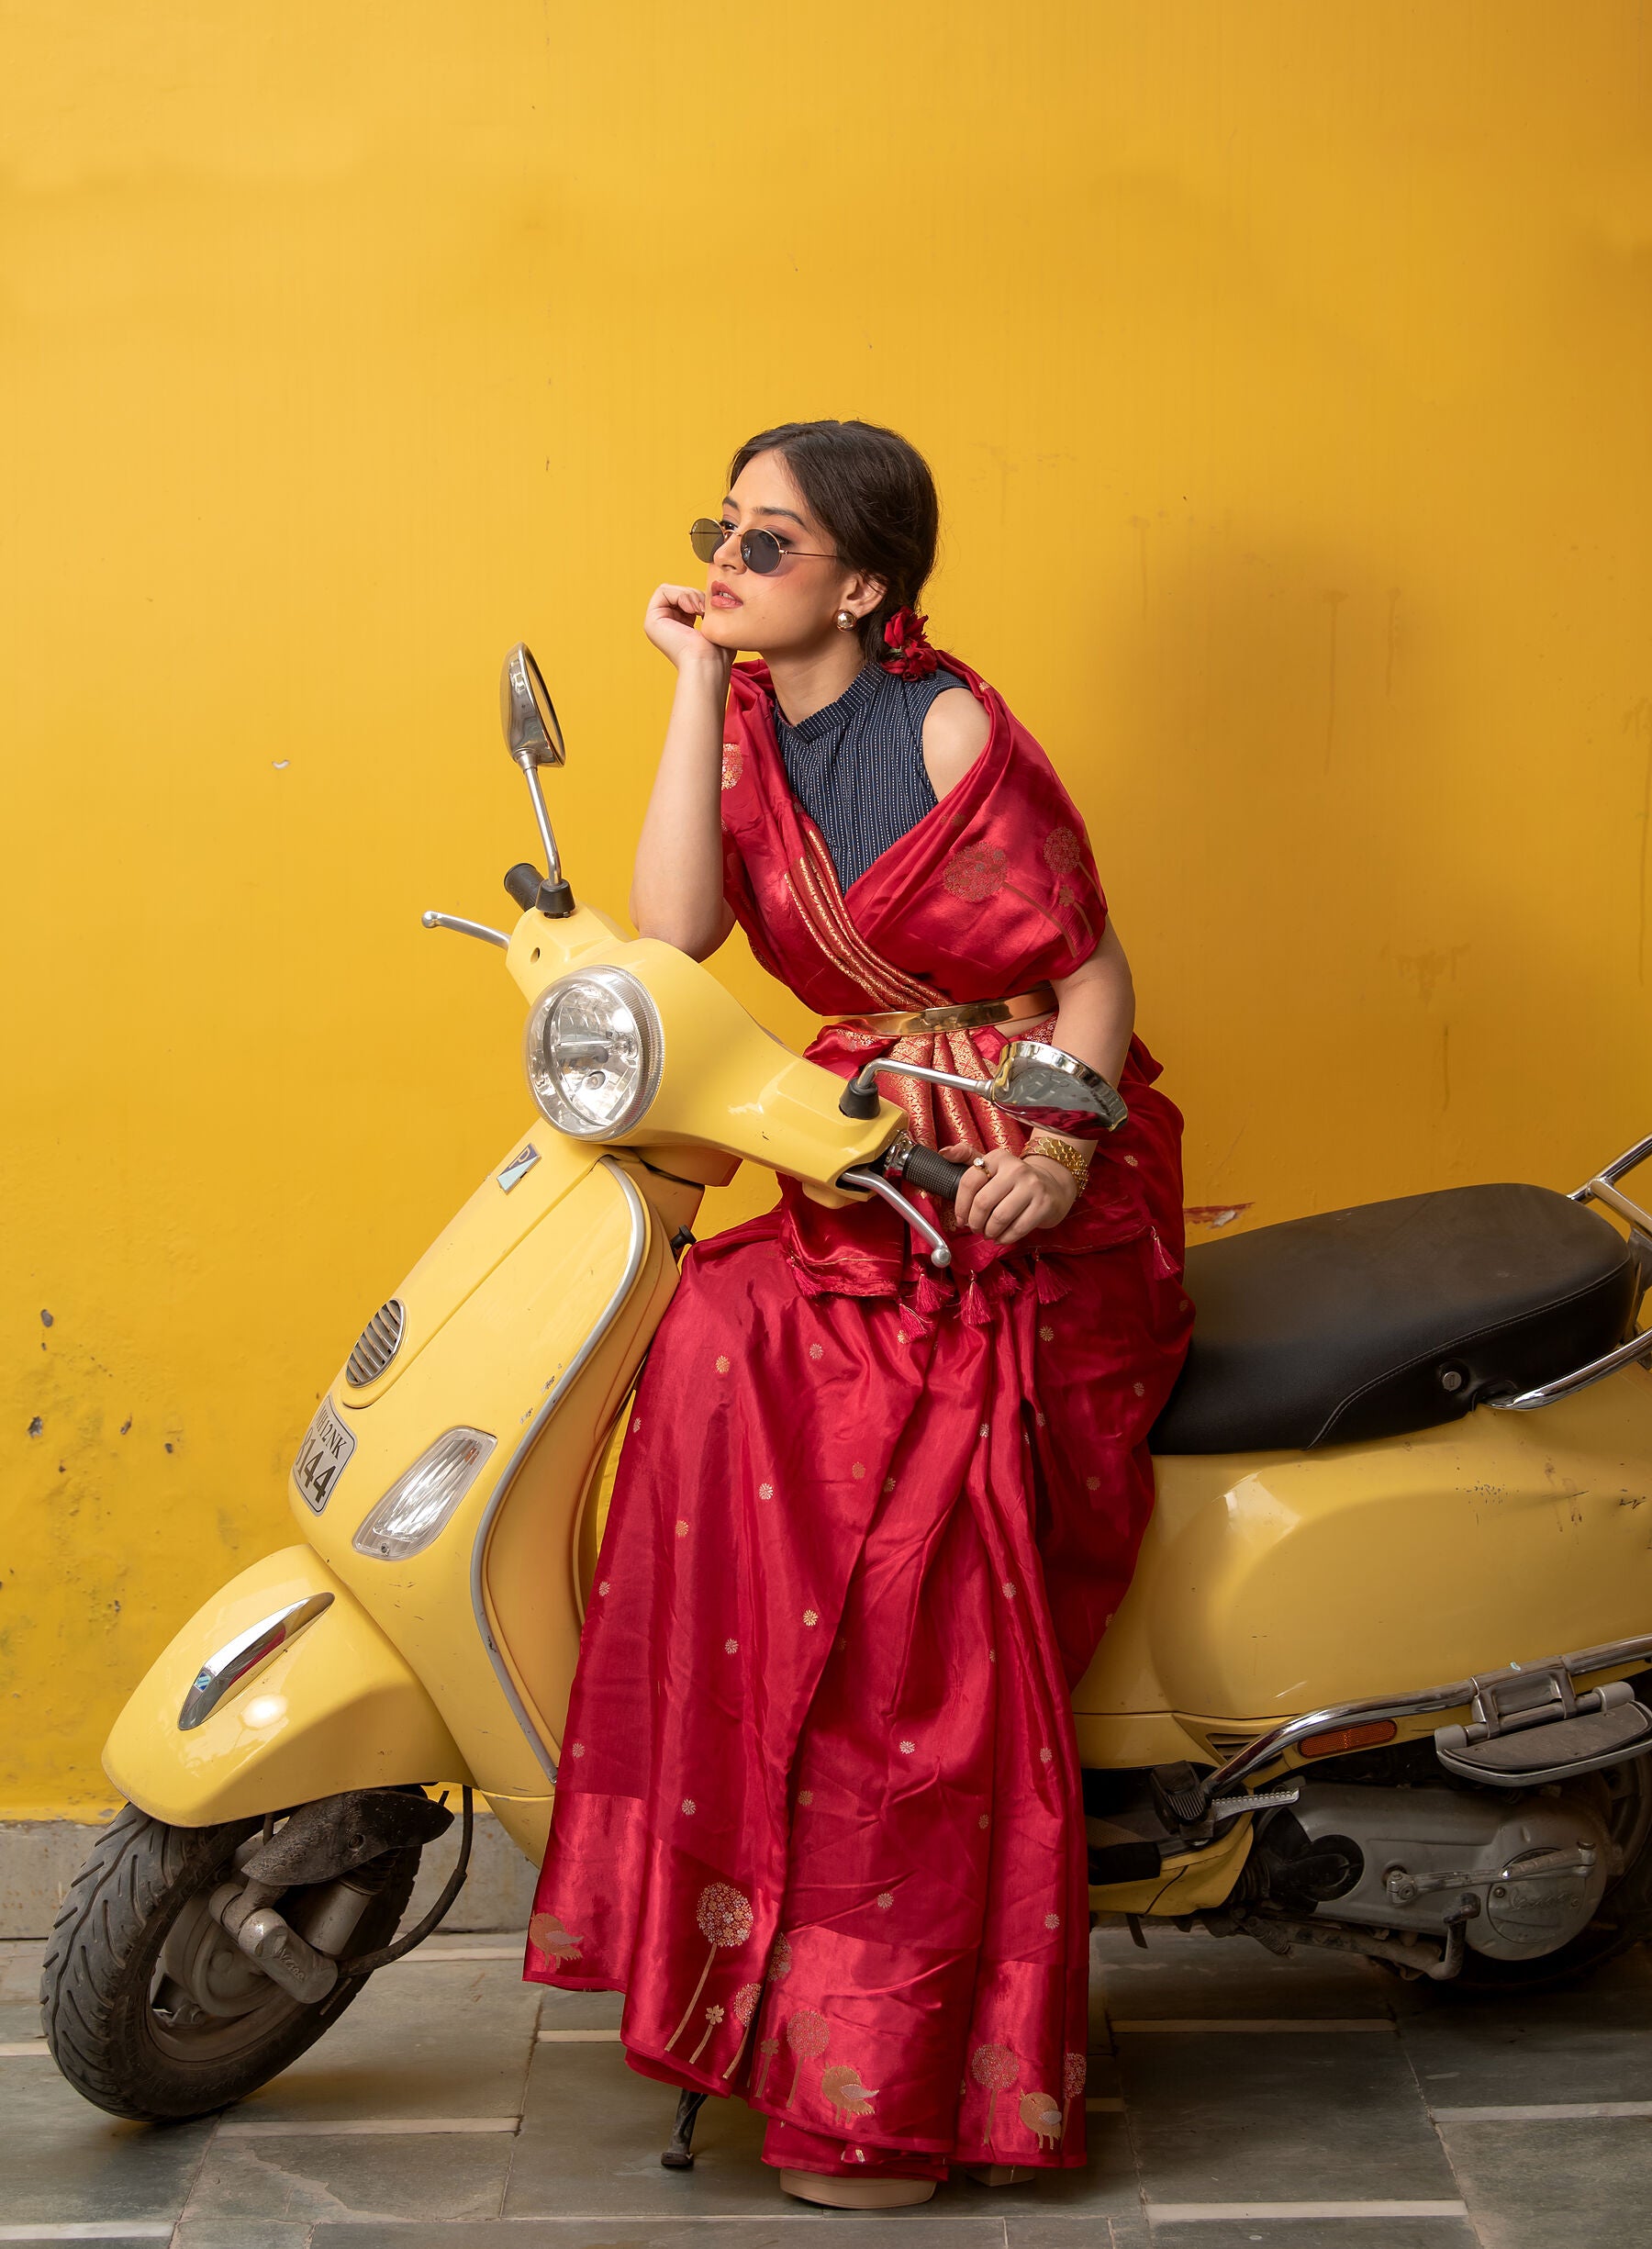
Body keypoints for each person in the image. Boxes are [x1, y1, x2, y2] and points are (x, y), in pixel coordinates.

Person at [524, 420, 1192, 2210]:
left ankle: (886, 2066)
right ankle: (743, 1966)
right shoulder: (741, 722)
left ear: (867, 586)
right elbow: (676, 935)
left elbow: (1092, 969)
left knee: (910, 1537)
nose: (727, 561)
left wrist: (1051, 1158)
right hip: (861, 1140)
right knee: (715, 1338)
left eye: (768, 542)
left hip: (1033, 1166)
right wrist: (688, 680)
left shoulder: (953, 729)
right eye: (717, 531)